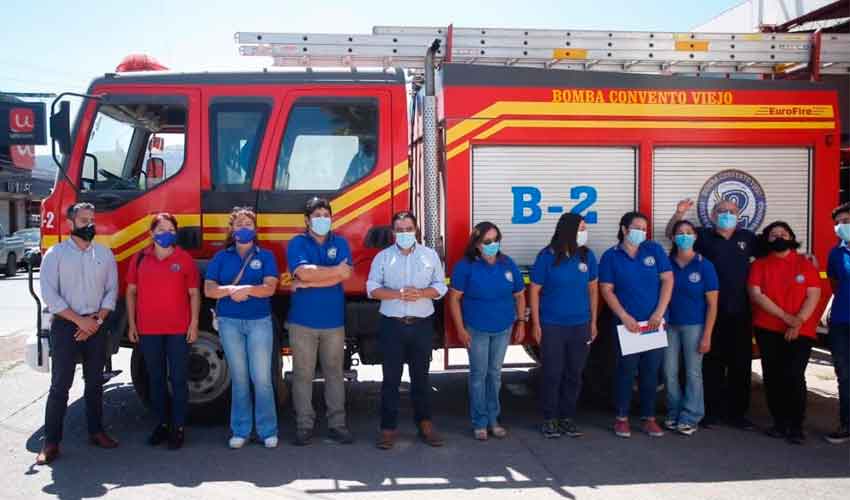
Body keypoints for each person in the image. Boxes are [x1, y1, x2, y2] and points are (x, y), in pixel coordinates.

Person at [37, 202, 119, 465]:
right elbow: (50, 295)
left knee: (94, 383)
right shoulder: (55, 255)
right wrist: (79, 322)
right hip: (65, 326)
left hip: (96, 324)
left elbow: (111, 292)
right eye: (84, 220)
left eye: (92, 219)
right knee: (60, 385)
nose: (89, 225)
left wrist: (95, 321)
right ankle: (51, 443)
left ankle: (96, 432)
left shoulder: (104, 255)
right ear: (70, 224)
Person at [666, 198, 757, 430]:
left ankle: (738, 414)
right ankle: (710, 412)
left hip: (739, 311)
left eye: (732, 211)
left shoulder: (747, 238)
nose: (727, 214)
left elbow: (775, 251)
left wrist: (804, 255)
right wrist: (678, 214)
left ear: (739, 215)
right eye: (722, 211)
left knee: (740, 365)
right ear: (713, 215)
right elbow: (674, 234)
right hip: (708, 313)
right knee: (708, 366)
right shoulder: (703, 236)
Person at [366, 211, 448, 450]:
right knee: (390, 380)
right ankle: (388, 429)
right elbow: (371, 288)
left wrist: (421, 294)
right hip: (392, 325)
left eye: (408, 229)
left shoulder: (429, 255)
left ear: (416, 230)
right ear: (393, 233)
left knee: (421, 379)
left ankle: (425, 425)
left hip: (421, 325)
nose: (404, 233)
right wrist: (398, 294)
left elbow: (440, 287)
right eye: (399, 230)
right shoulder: (383, 257)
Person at [204, 207, 280, 449]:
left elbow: (269, 288)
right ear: (231, 229)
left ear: (255, 229)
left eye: (248, 224)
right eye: (239, 224)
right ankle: (241, 430)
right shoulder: (221, 257)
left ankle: (268, 430)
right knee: (239, 379)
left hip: (259, 321)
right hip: (229, 323)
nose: (244, 228)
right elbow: (209, 289)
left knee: (262, 378)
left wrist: (243, 290)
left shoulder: (266, 256)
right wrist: (231, 291)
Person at [126, 213, 200, 450]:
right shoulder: (139, 259)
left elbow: (194, 294)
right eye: (160, 229)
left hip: (179, 329)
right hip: (148, 330)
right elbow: (130, 293)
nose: (165, 234)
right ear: (151, 233)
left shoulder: (184, 259)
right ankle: (161, 425)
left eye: (170, 229)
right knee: (155, 380)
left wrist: (194, 323)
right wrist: (132, 323)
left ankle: (178, 427)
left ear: (175, 233)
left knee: (178, 379)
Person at [448, 221, 526, 441]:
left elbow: (519, 295)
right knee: (478, 377)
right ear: (477, 244)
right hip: (477, 330)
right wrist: (461, 329)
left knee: (495, 376)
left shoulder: (507, 263)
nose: (493, 245)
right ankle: (479, 422)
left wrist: (520, 322)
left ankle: (494, 420)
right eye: (487, 241)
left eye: (496, 240)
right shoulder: (466, 266)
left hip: (503, 329)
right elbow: (454, 299)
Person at [600, 211, 673, 438]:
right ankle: (621, 418)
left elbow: (668, 279)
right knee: (626, 371)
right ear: (624, 229)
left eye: (644, 228)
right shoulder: (611, 256)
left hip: (654, 323)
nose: (641, 232)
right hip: (628, 325)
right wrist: (624, 316)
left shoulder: (654, 250)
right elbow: (606, 289)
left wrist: (659, 313)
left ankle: (648, 418)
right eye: (637, 227)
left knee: (651, 372)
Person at [287, 197, 354, 446]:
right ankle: (304, 425)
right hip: (302, 322)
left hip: (333, 322)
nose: (322, 219)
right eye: (317, 215)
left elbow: (345, 274)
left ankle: (337, 425)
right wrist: (332, 273)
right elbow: (303, 272)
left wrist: (308, 282)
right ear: (307, 220)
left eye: (326, 215)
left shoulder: (341, 242)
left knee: (334, 374)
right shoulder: (297, 243)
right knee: (302, 375)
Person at [747, 221, 821, 444]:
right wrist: (787, 319)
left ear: (791, 237)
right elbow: (757, 295)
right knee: (773, 375)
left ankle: (796, 425)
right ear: (766, 240)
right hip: (769, 329)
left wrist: (797, 322)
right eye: (773, 234)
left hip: (801, 330)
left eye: (783, 233)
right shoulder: (759, 265)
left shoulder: (804, 263)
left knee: (794, 375)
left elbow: (814, 294)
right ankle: (779, 423)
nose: (779, 237)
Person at [528, 213, 598, 439]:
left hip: (580, 324)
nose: (585, 232)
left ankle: (567, 418)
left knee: (574, 374)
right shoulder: (547, 256)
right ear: (568, 230)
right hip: (553, 325)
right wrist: (536, 324)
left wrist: (593, 322)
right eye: (581, 228)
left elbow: (593, 290)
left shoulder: (587, 256)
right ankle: (549, 419)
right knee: (552, 373)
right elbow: (535, 290)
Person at [663, 220, 719, 435]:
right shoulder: (666, 263)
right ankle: (673, 412)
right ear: (674, 238)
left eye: (688, 232)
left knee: (693, 372)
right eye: (680, 233)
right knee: (668, 372)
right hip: (668, 325)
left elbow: (713, 304)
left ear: (695, 237)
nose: (684, 236)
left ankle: (690, 416)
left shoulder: (705, 265)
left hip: (695, 326)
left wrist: (707, 335)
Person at [826, 202, 850, 444]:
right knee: (844, 375)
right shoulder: (836, 253)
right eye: (838, 223)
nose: (842, 226)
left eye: (846, 221)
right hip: (842, 321)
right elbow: (835, 284)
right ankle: (846, 424)